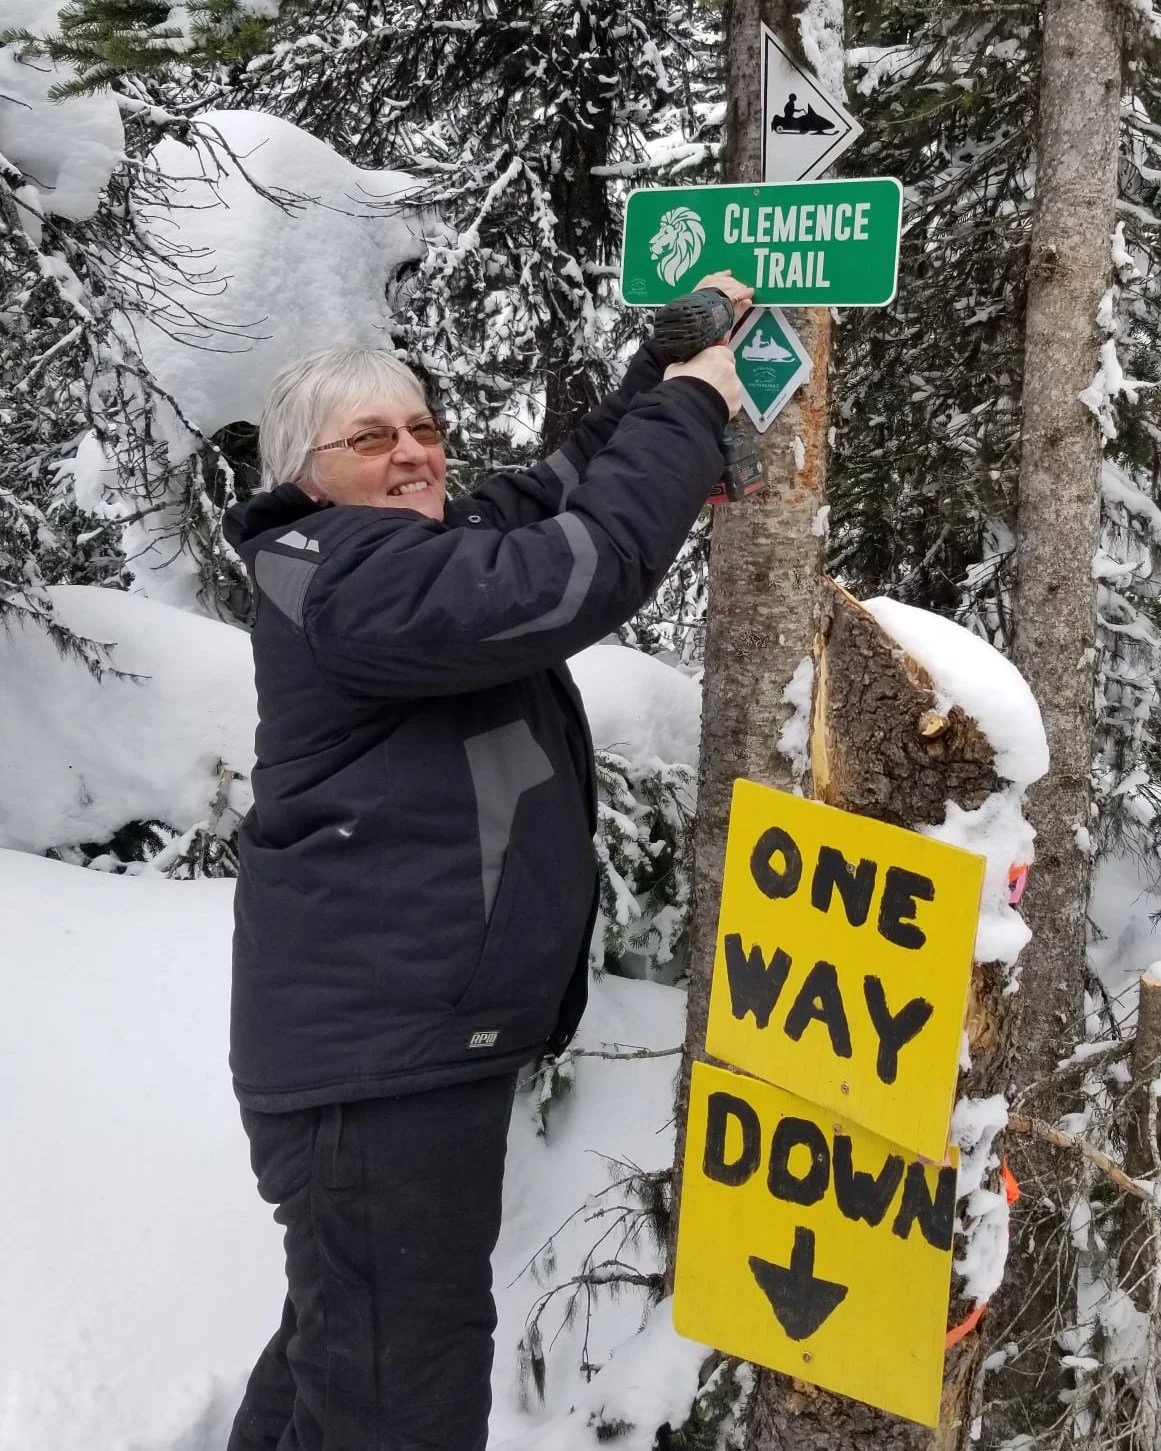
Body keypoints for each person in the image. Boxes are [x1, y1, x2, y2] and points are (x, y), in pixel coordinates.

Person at [221, 270, 751, 1451]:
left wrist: (659, 370)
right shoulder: (348, 576)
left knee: (346, 1343)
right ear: (308, 471)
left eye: (423, 427)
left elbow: (557, 488)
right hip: (376, 1065)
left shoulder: (407, 549)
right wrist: (695, 407)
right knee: (399, 1394)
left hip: (397, 1052)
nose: (412, 453)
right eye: (372, 438)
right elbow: (583, 564)